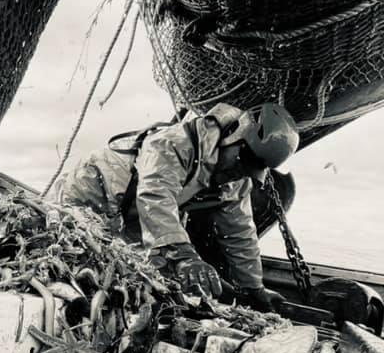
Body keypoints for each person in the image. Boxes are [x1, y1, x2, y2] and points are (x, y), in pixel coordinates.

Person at [51, 102, 299, 311]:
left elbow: (240, 233)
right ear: (235, 134)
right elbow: (156, 196)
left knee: (141, 278)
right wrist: (185, 257)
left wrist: (254, 288)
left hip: (134, 215)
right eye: (243, 160)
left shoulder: (236, 178)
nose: (241, 171)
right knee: (74, 259)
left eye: (250, 168)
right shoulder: (173, 143)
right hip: (92, 192)